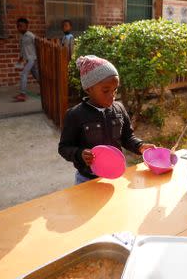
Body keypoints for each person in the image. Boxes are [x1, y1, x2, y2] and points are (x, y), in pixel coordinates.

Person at [59, 55, 155, 184]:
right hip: (87, 179)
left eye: (115, 90)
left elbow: (127, 137)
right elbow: (64, 147)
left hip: (116, 175)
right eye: (105, 91)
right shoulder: (75, 115)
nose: (112, 96)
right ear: (89, 89)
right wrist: (79, 154)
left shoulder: (119, 109)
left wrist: (140, 146)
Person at [14, 17, 38, 102]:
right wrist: (20, 58)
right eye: (18, 26)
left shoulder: (31, 36)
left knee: (23, 74)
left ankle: (22, 94)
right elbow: (22, 49)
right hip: (28, 59)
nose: (19, 28)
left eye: (21, 26)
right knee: (36, 75)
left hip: (33, 59)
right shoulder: (21, 37)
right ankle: (45, 89)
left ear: (27, 26)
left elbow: (37, 45)